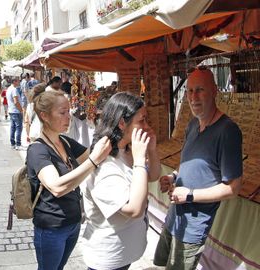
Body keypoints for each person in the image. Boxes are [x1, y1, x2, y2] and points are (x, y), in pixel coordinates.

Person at [153, 68, 243, 270]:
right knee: (162, 263)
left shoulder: (228, 131)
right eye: (190, 90)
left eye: (200, 90)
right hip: (174, 216)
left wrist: (190, 195)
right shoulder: (193, 124)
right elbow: (188, 160)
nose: (193, 97)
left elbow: (233, 188)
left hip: (193, 228)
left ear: (215, 91)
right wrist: (173, 175)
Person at [26, 90, 112, 270]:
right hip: (51, 227)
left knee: (60, 267)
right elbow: (57, 187)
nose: (69, 117)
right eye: (62, 112)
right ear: (44, 116)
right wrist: (93, 161)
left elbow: (96, 155)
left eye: (69, 111)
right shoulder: (37, 150)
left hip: (73, 222)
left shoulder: (65, 141)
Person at [81, 92, 161, 270]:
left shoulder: (125, 150)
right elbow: (134, 210)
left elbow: (153, 176)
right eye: (141, 121)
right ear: (122, 123)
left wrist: (152, 150)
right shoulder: (104, 164)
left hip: (124, 254)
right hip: (108, 258)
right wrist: (140, 160)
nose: (146, 126)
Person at [6, 77, 23, 150]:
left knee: (12, 127)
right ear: (14, 82)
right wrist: (21, 110)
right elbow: (16, 101)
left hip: (11, 110)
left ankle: (12, 143)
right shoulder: (14, 90)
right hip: (16, 111)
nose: (19, 82)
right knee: (19, 127)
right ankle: (18, 144)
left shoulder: (9, 89)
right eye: (18, 81)